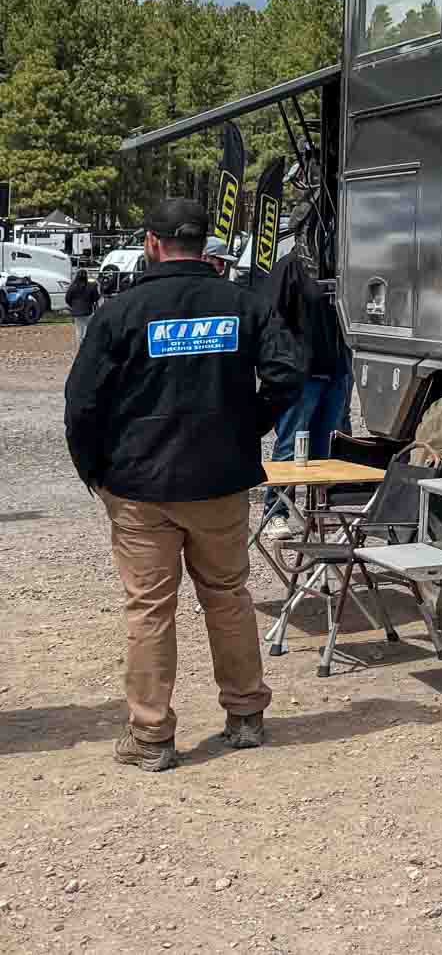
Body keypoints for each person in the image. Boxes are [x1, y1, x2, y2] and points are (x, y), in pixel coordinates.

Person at [63, 197, 302, 771]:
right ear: (203, 245)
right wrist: (247, 425)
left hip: (140, 484)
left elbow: (81, 404)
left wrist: (94, 472)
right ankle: (245, 716)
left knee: (149, 610)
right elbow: (288, 374)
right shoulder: (241, 304)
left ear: (151, 242)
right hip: (219, 480)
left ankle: (151, 738)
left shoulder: (121, 312)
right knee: (228, 597)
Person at [261, 224, 352, 538]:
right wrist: (286, 365)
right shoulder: (289, 267)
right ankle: (276, 512)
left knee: (324, 449)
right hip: (303, 377)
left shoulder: (345, 267)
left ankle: (318, 514)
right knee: (289, 448)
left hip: (337, 371)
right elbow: (272, 319)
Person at [65, 268, 100, 344]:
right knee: (88, 327)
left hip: (76, 311)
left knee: (78, 329)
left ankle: (80, 344)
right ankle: (86, 342)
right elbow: (96, 298)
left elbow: (67, 298)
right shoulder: (92, 285)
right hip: (88, 310)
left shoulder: (72, 286)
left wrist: (73, 305)